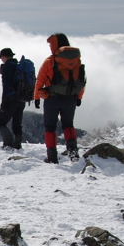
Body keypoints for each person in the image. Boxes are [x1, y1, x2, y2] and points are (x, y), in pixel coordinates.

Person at [34, 33, 85, 164]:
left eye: (51, 44)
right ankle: (73, 154)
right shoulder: (76, 61)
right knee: (68, 125)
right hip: (70, 99)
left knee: (50, 127)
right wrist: (79, 97)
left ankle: (52, 157)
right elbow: (81, 80)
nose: (50, 47)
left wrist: (37, 97)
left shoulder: (50, 61)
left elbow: (40, 80)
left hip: (52, 99)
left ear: (55, 44)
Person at [0, 48, 25, 150]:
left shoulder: (7, 67)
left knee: (0, 122)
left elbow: (6, 85)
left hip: (11, 98)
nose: (1, 60)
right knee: (17, 123)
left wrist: (4, 102)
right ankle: (17, 144)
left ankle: (8, 144)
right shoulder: (19, 66)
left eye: (1, 58)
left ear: (3, 57)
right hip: (22, 99)